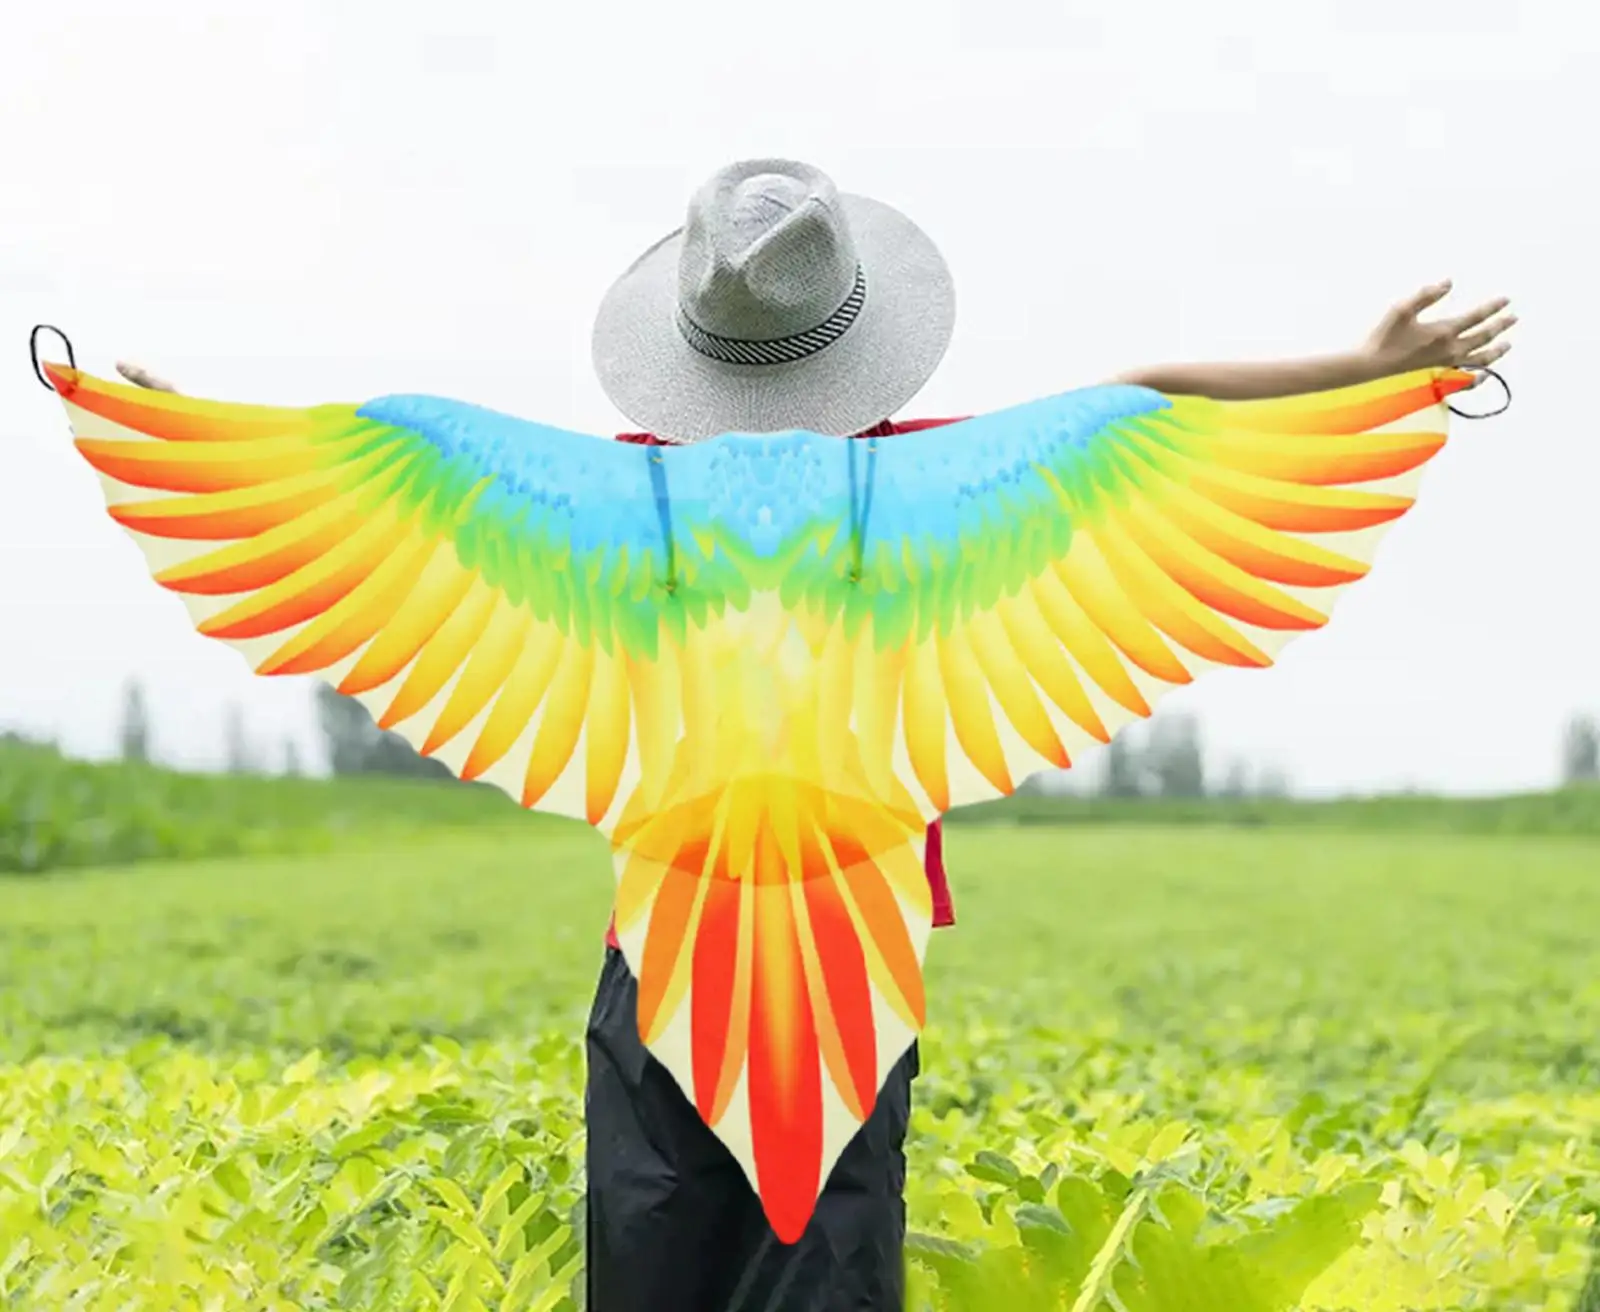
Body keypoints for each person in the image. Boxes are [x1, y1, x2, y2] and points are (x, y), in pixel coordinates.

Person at [119, 157, 1514, 1312]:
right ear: (853, 338)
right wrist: (1360, 372)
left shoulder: (615, 501)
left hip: (657, 958)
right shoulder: (930, 482)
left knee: (652, 1257)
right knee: (828, 1268)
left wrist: (188, 441)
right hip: (857, 954)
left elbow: (365, 472)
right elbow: (1144, 403)